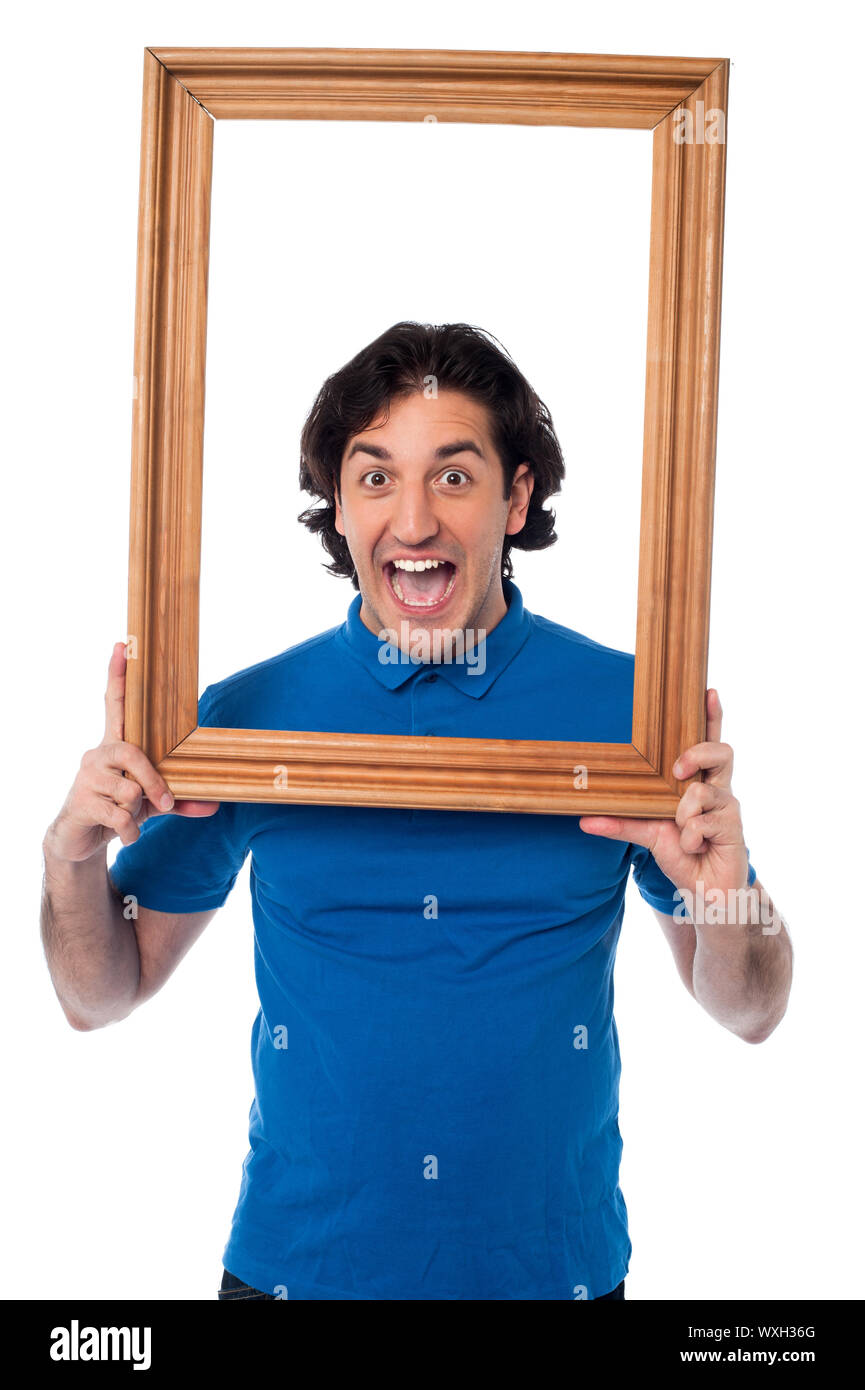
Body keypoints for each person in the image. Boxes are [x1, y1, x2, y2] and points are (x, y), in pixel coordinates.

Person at [40, 322, 793, 1301]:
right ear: (340, 510)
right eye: (375, 477)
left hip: (554, 1280)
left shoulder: (630, 715)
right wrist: (71, 856)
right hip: (295, 1278)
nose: (413, 521)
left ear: (516, 497)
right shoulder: (245, 723)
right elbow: (98, 994)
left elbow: (750, 1009)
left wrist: (728, 893)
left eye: (452, 476)